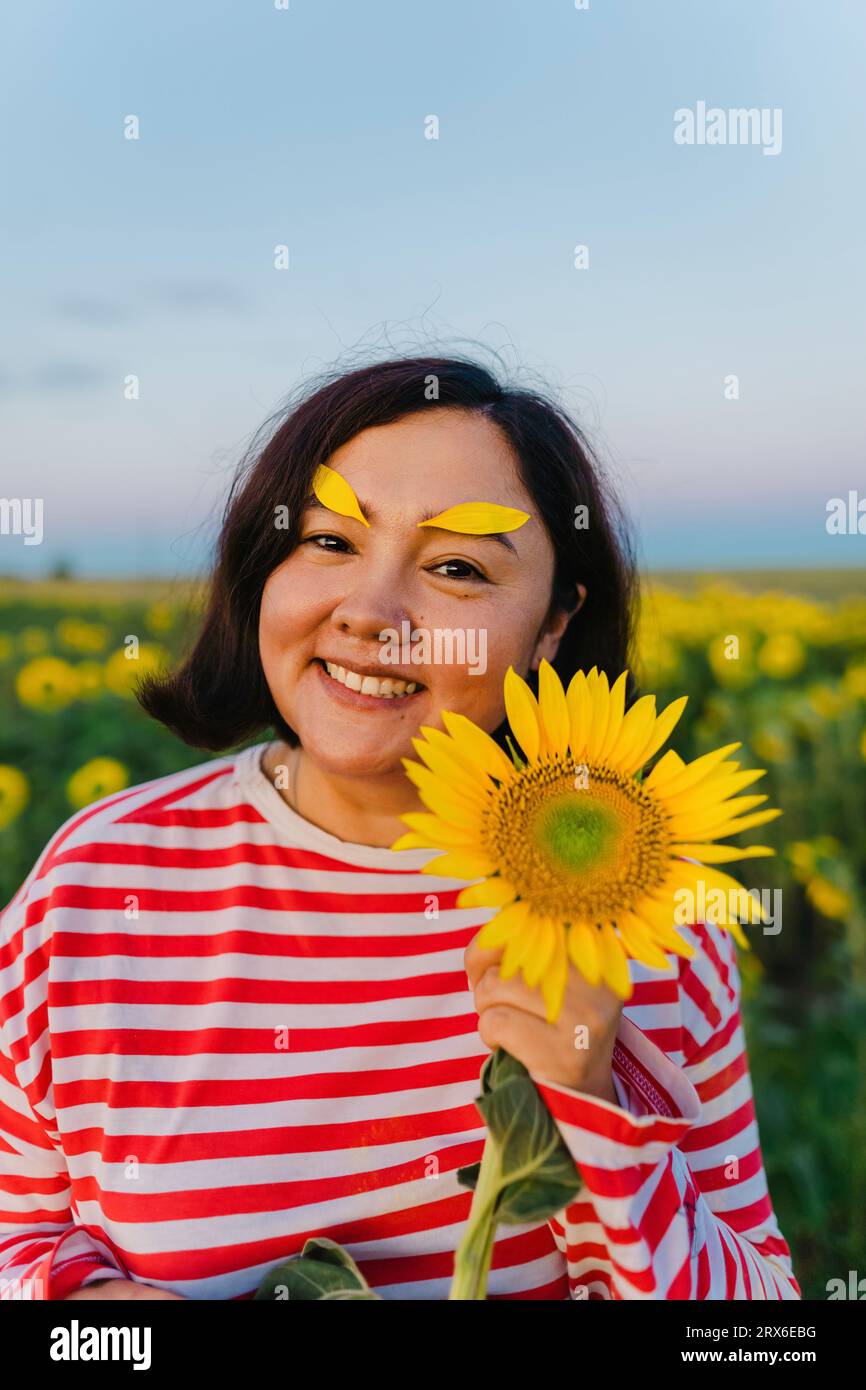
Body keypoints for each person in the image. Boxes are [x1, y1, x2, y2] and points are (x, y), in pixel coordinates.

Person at [0, 356, 800, 1300]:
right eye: (330, 542)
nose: (371, 613)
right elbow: (22, 1243)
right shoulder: (94, 887)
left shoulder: (647, 915)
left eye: (457, 567)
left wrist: (588, 1109)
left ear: (552, 627)